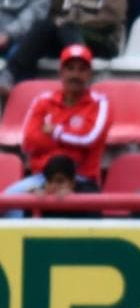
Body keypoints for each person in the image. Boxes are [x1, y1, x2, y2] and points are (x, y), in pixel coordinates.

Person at [4, 44, 111, 200]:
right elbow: (28, 142)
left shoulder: (100, 103)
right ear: (61, 72)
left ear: (89, 74)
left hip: (81, 178)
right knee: (6, 204)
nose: (75, 75)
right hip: (41, 178)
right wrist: (71, 147)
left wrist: (55, 133)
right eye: (70, 68)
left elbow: (89, 138)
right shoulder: (43, 101)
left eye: (81, 69)